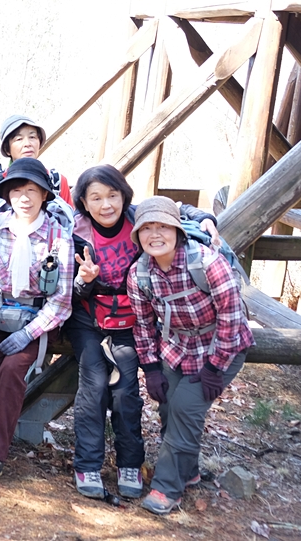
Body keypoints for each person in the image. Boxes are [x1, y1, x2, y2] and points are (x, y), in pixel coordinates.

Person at [66, 165, 220, 499]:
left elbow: (177, 209)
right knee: (93, 386)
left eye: (113, 195)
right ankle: (87, 464)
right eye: (96, 198)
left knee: (126, 392)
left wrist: (207, 217)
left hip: (131, 320)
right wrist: (85, 281)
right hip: (88, 321)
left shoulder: (140, 219)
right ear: (84, 203)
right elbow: (69, 294)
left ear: (124, 195)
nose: (106, 205)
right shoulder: (73, 232)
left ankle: (130, 463)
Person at [127, 197, 252, 515]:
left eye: (163, 226)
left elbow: (232, 318)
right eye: (147, 228)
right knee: (168, 407)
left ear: (178, 231)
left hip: (222, 345)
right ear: (138, 235)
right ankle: (189, 470)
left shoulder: (206, 263)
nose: (155, 234)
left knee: (185, 407)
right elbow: (143, 325)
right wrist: (151, 368)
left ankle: (168, 487)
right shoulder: (139, 274)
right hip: (177, 347)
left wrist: (214, 367)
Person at [0, 158, 73, 483]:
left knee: (11, 372)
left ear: (44, 195)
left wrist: (27, 335)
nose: (24, 197)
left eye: (32, 190)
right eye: (17, 190)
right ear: (7, 195)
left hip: (36, 320)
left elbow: (61, 300)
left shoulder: (58, 237)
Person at [0, 116, 74, 254]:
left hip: (48, 261)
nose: (27, 144)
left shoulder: (57, 181)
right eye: (19, 139)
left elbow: (70, 225)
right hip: (3, 261)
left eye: (32, 137)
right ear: (7, 149)